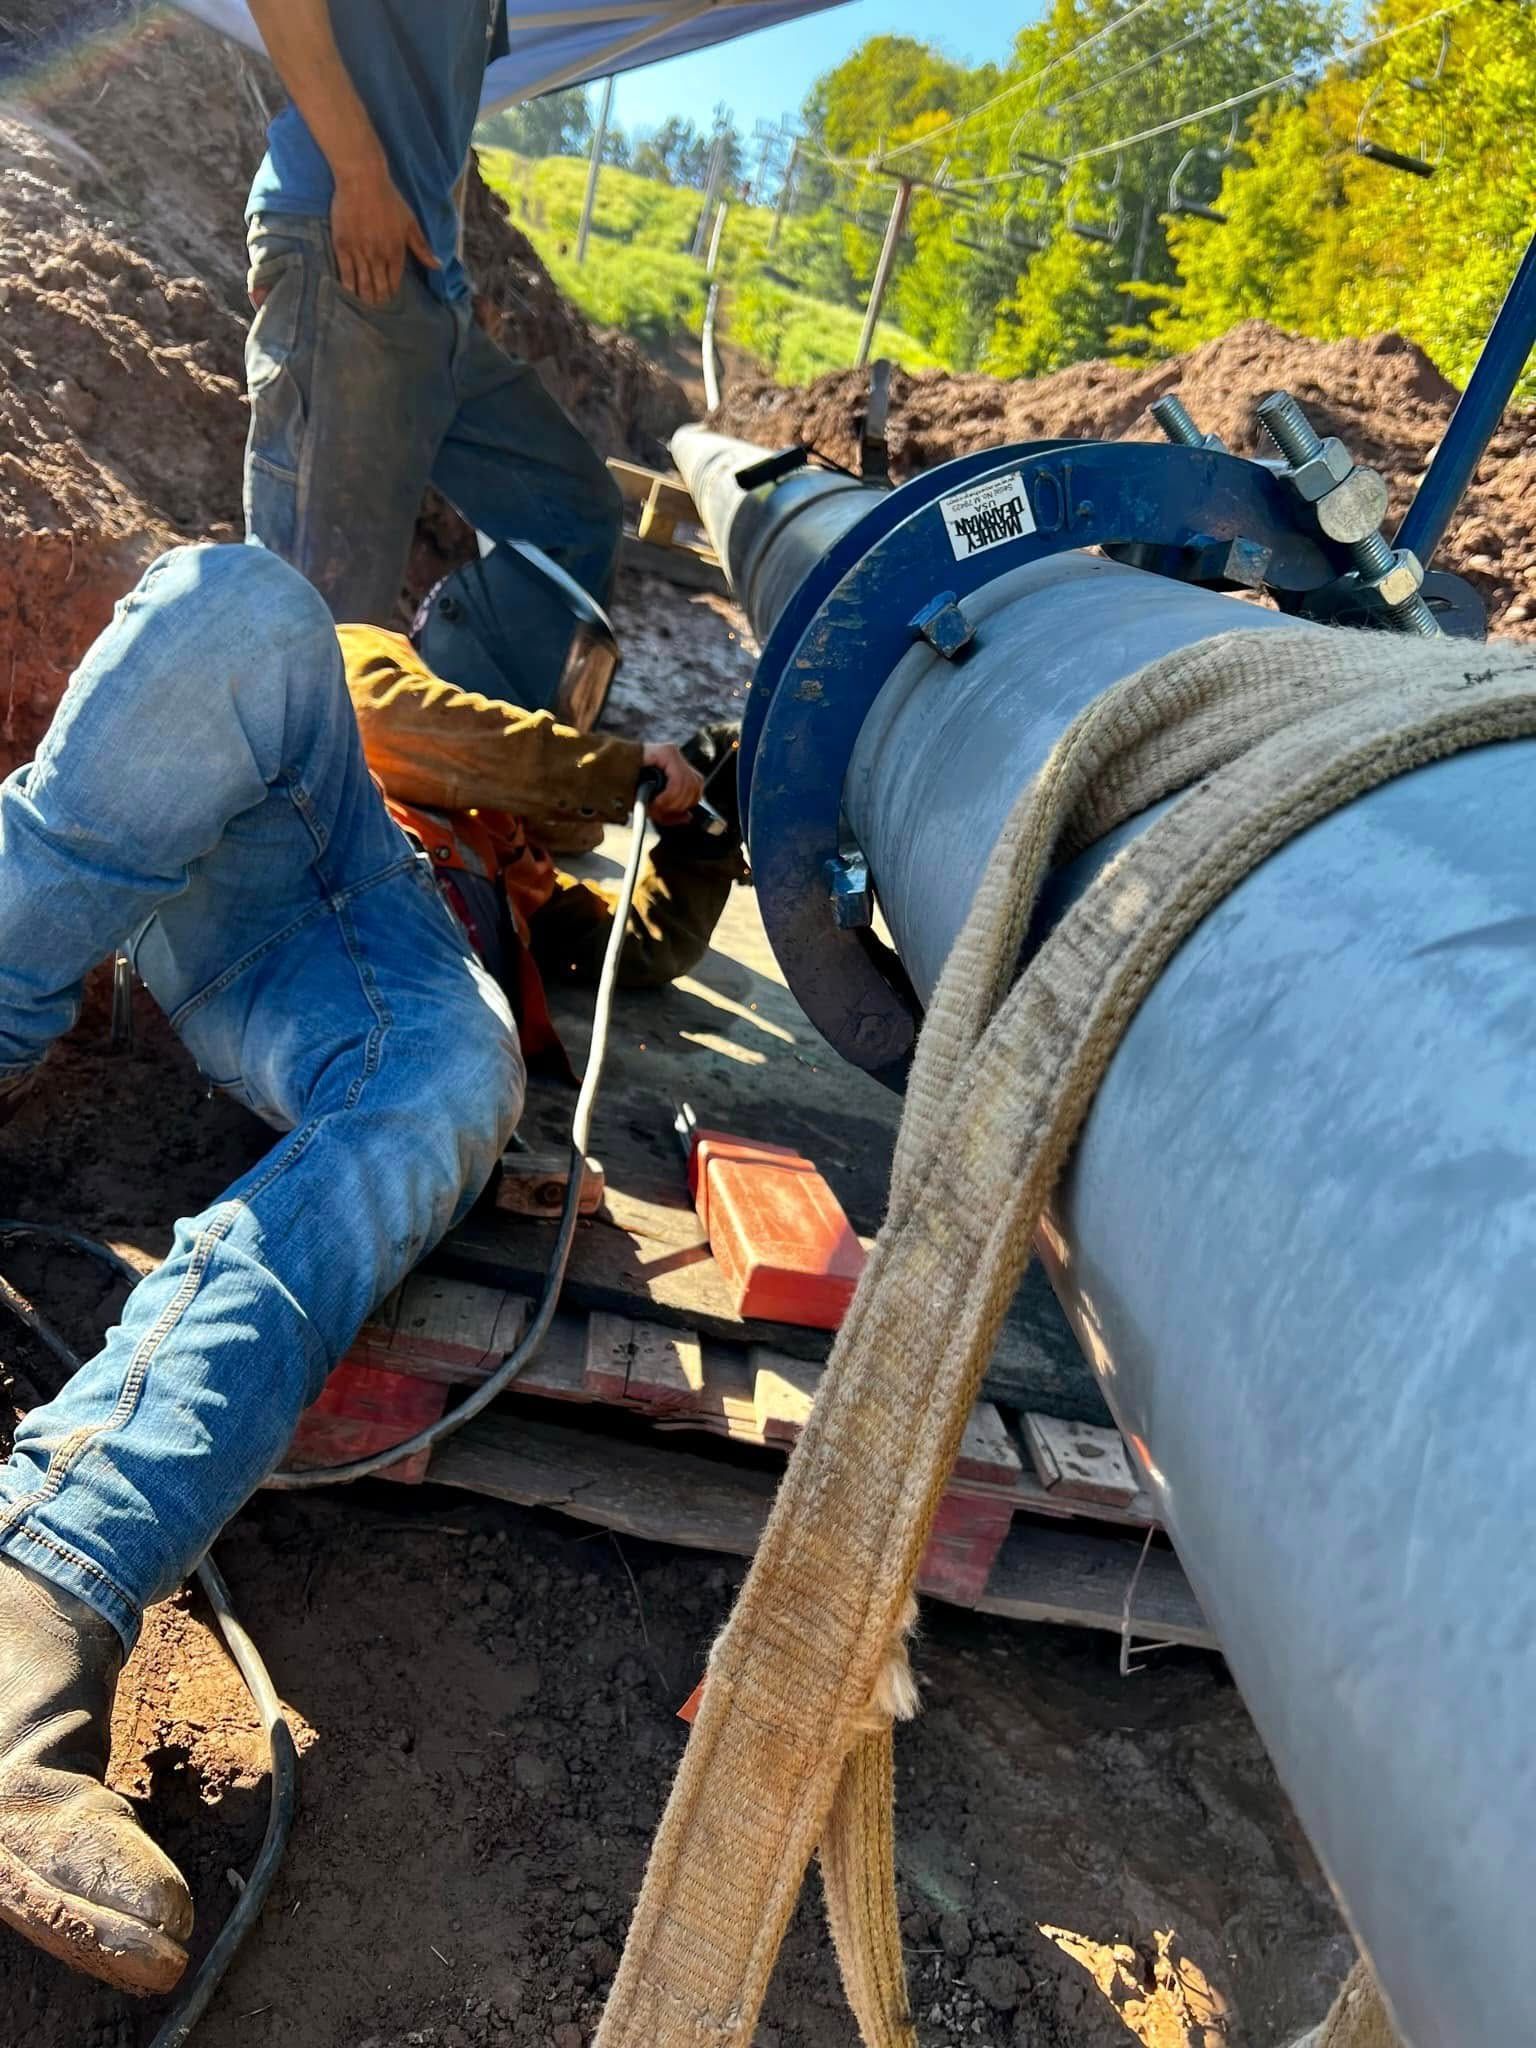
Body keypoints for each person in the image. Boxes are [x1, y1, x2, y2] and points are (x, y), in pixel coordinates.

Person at [0, 542, 732, 1996]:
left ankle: (39, 1582)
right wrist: (615, 769)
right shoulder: (374, 683)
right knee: (243, 601)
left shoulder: (511, 873)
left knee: (458, 1073)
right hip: (288, 850)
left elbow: (636, 951)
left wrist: (703, 822)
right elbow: (429, 727)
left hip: (330, 992)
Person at [241, 0, 623, 624]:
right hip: (345, 237)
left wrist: (451, 264)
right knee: (320, 606)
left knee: (574, 515)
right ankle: (296, 717)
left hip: (432, 289)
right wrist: (360, 173)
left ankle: (461, 721)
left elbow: (445, 119)